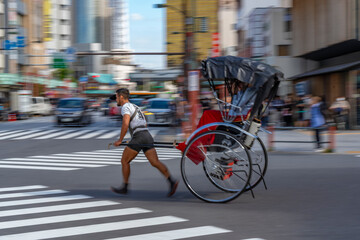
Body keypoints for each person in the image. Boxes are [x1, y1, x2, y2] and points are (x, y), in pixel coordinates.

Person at [110, 88, 179, 197]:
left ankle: (125, 187)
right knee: (155, 162)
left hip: (139, 136)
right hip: (146, 135)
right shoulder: (136, 107)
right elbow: (143, 123)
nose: (116, 99)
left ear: (121, 97)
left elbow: (125, 123)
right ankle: (171, 181)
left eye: (117, 97)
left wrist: (120, 140)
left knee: (124, 161)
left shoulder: (125, 107)